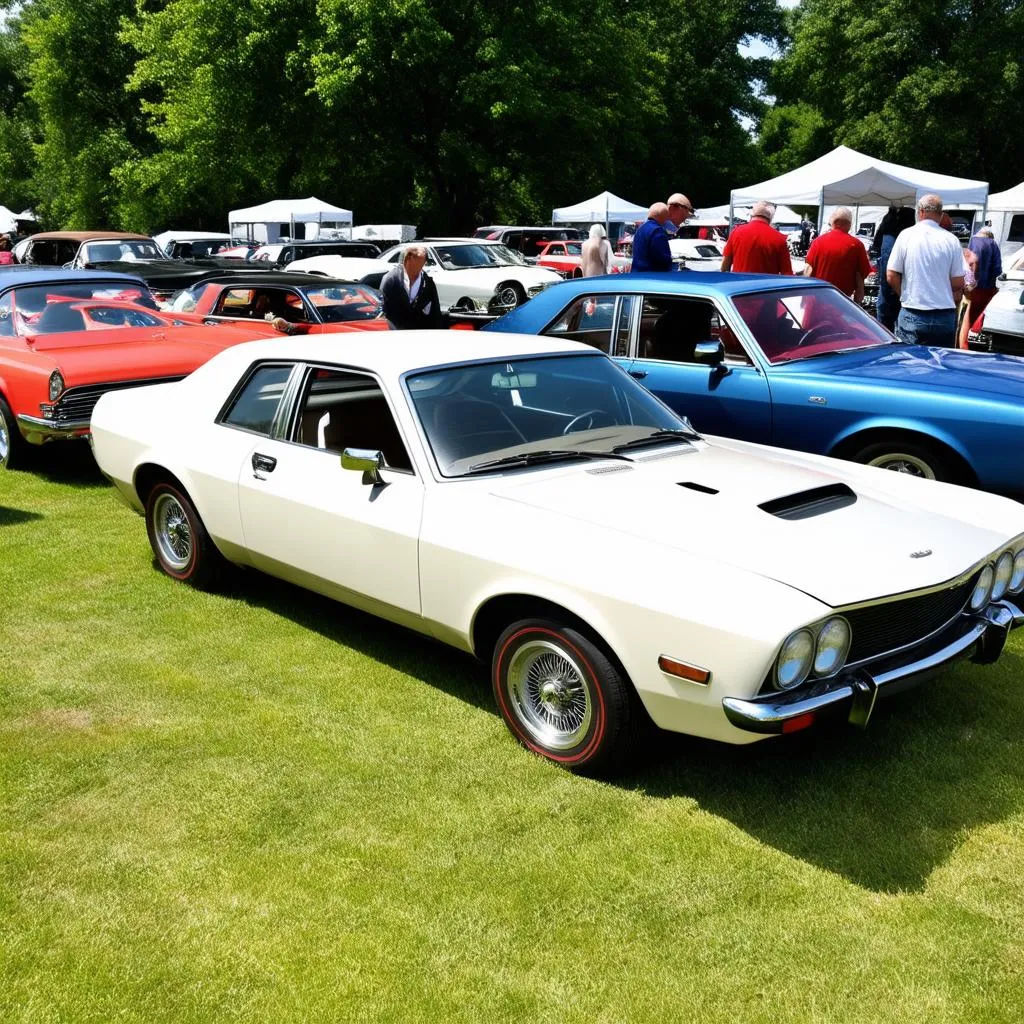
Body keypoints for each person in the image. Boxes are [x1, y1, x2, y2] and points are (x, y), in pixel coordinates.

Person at [885, 194, 964, 347]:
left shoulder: (906, 235)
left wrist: (904, 295)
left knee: (909, 365)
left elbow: (891, 274)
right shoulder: (952, 240)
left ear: (920, 211)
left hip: (913, 310)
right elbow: (958, 282)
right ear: (941, 215)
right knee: (940, 365)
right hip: (944, 314)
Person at [803, 207, 872, 301]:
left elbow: (807, 271)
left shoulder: (818, 242)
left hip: (817, 301)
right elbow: (859, 280)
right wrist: (857, 305)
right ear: (850, 224)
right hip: (842, 303)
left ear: (832, 222)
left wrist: (804, 300)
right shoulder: (857, 245)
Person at [720, 200, 792, 275]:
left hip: (739, 285)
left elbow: (724, 267)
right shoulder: (780, 239)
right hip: (767, 286)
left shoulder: (736, 232)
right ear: (771, 217)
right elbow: (787, 274)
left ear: (752, 214)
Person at [380, 245, 442, 329]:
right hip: (397, 332)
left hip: (421, 333)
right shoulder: (391, 280)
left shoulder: (427, 282)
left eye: (423, 262)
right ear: (408, 258)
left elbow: (435, 312)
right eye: (418, 260)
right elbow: (385, 311)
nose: (422, 265)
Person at [960, 227, 1003, 348]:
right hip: (988, 290)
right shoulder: (993, 244)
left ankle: (964, 348)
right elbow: (997, 270)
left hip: (972, 290)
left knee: (966, 321)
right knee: (981, 321)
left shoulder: (972, 241)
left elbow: (967, 265)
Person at [629, 203, 673, 272]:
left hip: (637, 274)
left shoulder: (641, 228)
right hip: (651, 276)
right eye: (667, 217)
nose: (667, 219)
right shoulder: (657, 230)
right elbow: (662, 258)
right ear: (663, 216)